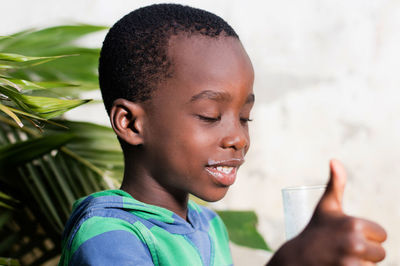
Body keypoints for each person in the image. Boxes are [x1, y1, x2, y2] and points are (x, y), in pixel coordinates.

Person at [59, 3, 387, 266]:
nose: (238, 138)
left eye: (245, 117)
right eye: (210, 115)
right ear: (131, 124)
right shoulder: (108, 237)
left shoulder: (208, 225)